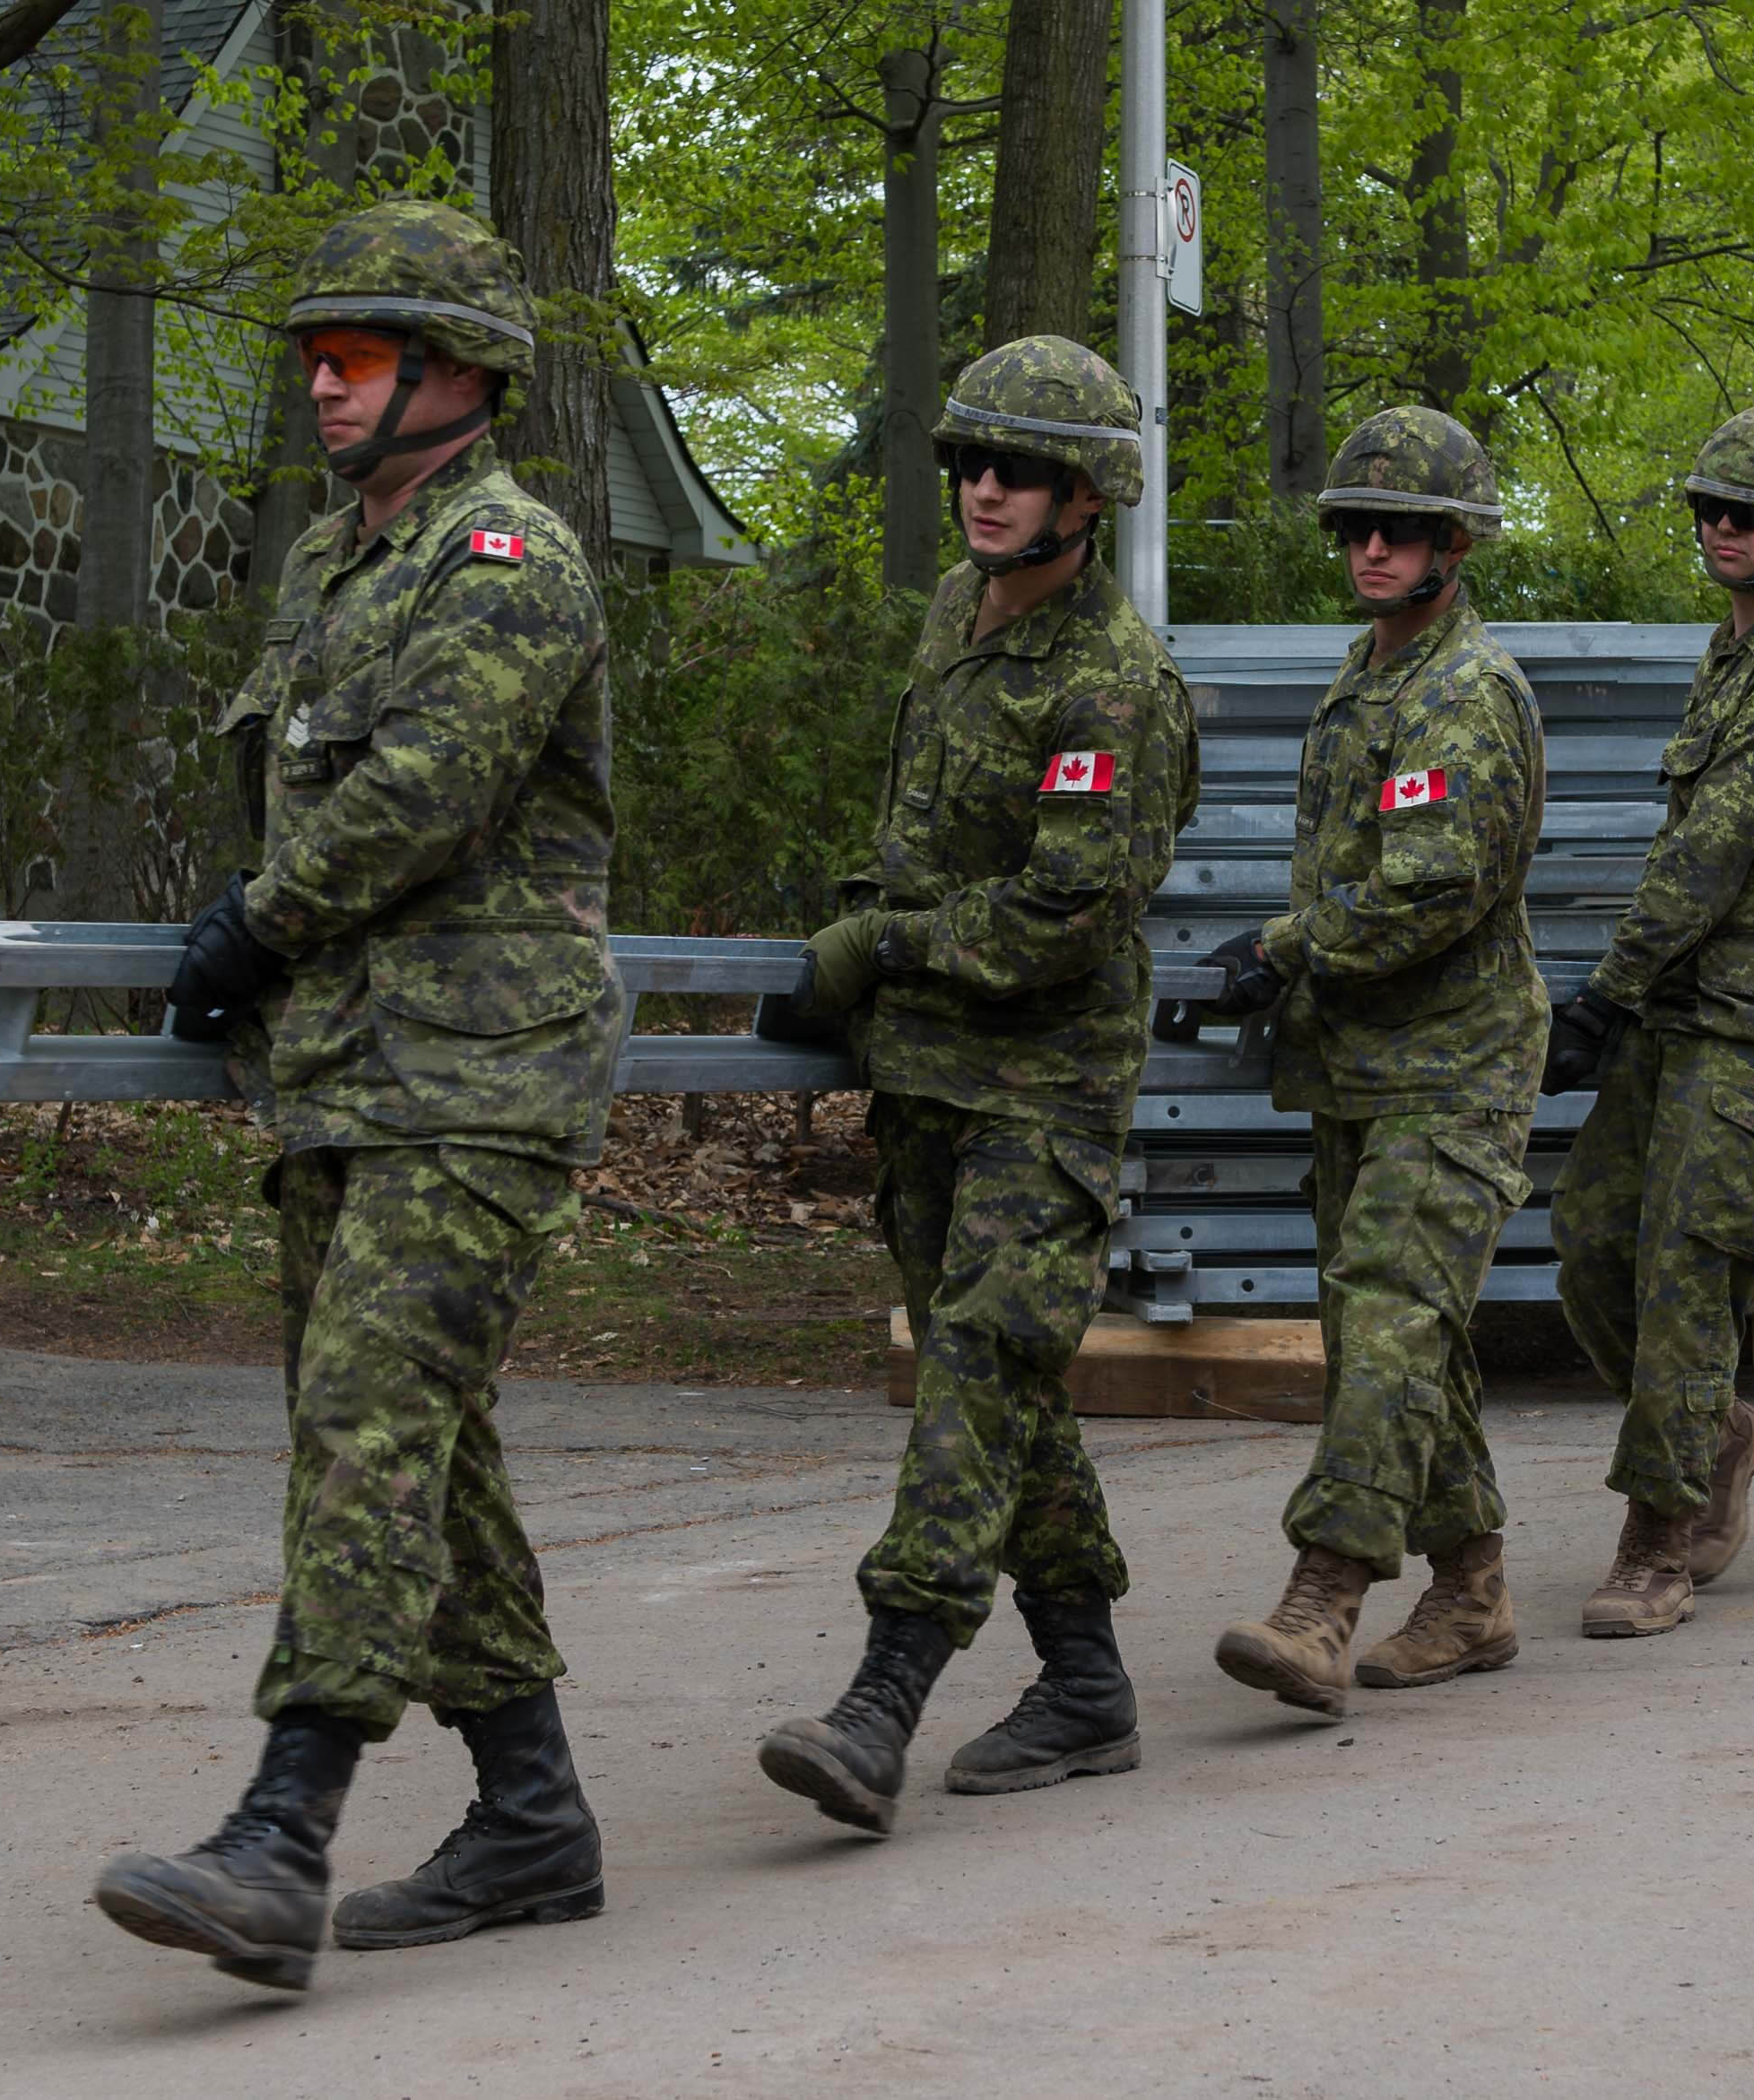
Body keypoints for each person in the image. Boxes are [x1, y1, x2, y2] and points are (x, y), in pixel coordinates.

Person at [91, 199, 621, 1992]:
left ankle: (280, 1830)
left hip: (476, 1079)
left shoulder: (505, 558)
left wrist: (258, 917)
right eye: (313, 355)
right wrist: (254, 955)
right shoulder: (332, 567)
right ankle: (533, 1813)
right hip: (341, 1078)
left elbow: (419, 794)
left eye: (359, 354)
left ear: (458, 375)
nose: (321, 382)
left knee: (369, 1426)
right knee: (418, 1450)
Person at [751, 335, 1202, 1835]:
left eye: (1019, 469)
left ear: (1090, 496)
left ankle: (883, 1693)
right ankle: (1083, 1679)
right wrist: (856, 928)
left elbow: (1065, 919)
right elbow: (917, 834)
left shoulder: (1114, 684)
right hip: (931, 1085)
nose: (985, 489)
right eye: (969, 463)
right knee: (1004, 1390)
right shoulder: (955, 617)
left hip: (1044, 1091)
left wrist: (880, 943)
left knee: (974, 1370)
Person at [1185, 406, 1549, 1717]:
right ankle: (1473, 1587)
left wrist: (1280, 947)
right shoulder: (1368, 673)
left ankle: (1322, 1598)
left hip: (1455, 1066)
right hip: (1360, 1065)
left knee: (1391, 1312)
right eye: (1354, 526)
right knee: (1393, 1332)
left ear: (1456, 544)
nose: (1371, 547)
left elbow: (1425, 894)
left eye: (1399, 529)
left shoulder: (1466, 693)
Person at [1542, 405, 1754, 1637]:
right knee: (1588, 1240)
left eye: (1744, 515)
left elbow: (1709, 850)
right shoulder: (1730, 650)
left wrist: (1601, 992)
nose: (1718, 529)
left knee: (1689, 1269)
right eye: (1706, 510)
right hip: (1685, 1007)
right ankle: (1720, 1432)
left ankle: (1656, 1540)